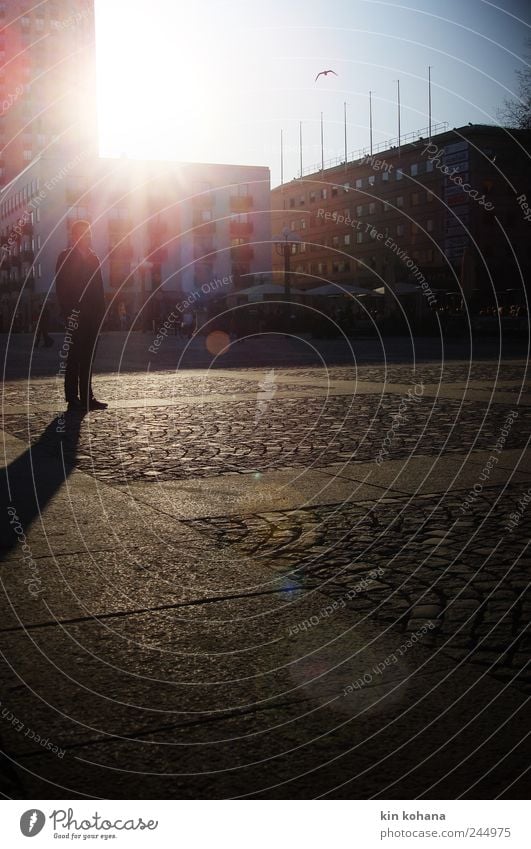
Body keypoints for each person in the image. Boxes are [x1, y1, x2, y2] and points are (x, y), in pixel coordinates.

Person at [55, 220, 107, 411]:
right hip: (75, 315)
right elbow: (61, 287)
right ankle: (72, 398)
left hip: (93, 315)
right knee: (74, 356)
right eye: (83, 233)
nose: (87, 236)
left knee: (88, 357)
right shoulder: (65, 256)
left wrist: (102, 313)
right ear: (75, 236)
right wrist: (69, 312)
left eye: (89, 233)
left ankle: (87, 397)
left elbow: (99, 288)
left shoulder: (94, 258)